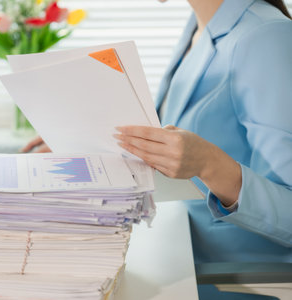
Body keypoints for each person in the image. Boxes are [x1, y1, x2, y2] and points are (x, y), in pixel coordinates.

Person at [22, 0, 292, 298]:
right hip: (174, 240)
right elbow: (179, 143)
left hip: (221, 269)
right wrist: (91, 141)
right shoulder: (201, 24)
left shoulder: (266, 36)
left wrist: (210, 164)